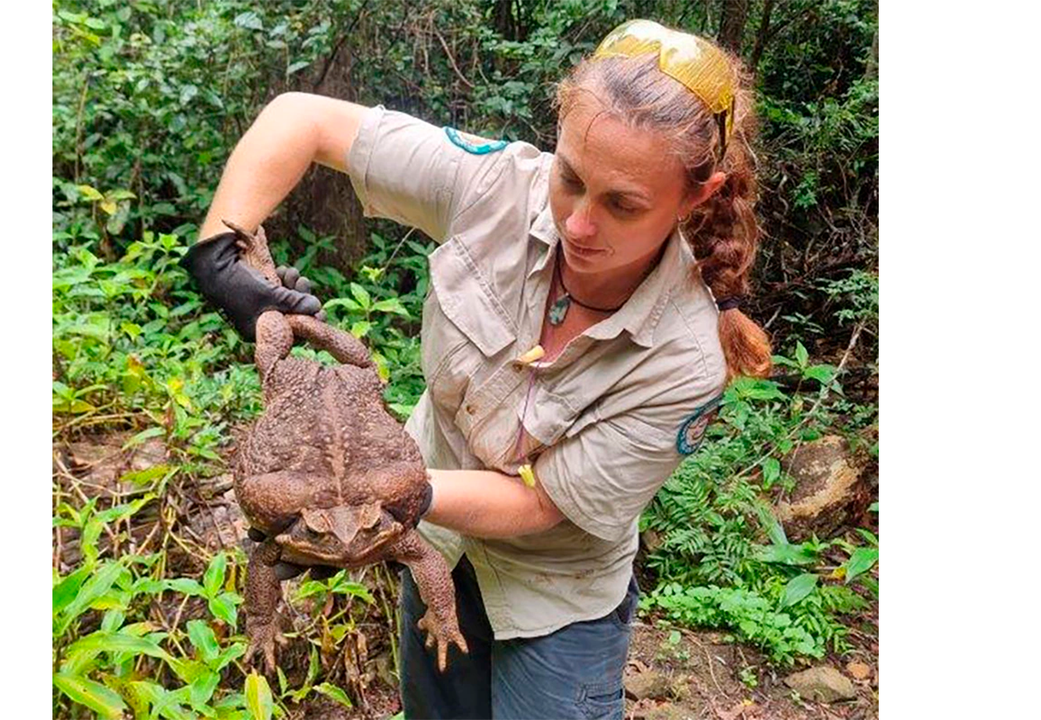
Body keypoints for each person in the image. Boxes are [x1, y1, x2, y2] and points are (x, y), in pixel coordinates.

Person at [183, 18, 771, 720]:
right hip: (434, 549)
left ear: (695, 198)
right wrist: (220, 253)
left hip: (554, 599)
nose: (578, 224)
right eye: (571, 179)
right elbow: (301, 120)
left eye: (622, 204)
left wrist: (370, 500)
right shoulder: (496, 185)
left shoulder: (685, 358)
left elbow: (541, 504)